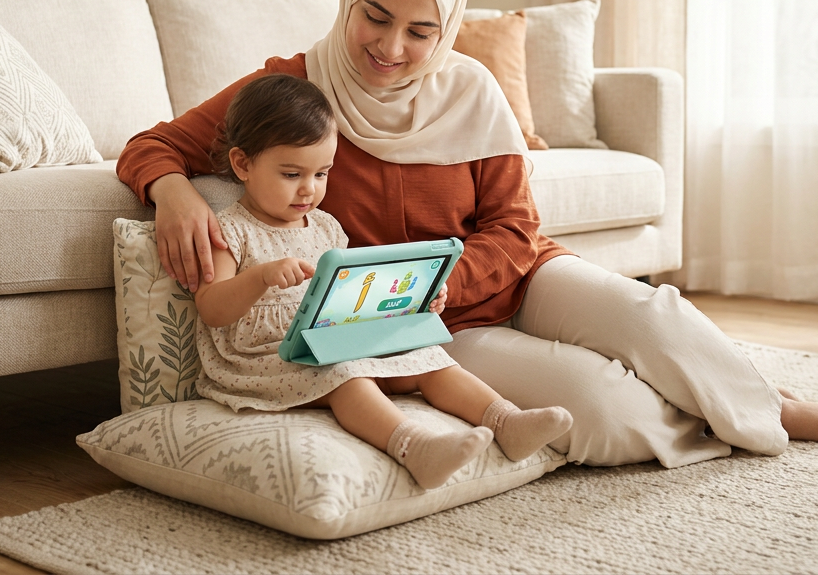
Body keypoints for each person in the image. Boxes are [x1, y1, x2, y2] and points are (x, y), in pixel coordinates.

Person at [118, 0, 818, 470]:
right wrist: (175, 192)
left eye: (422, 30)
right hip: (414, 327)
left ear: (447, 29)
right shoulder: (291, 87)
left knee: (652, 316)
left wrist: (444, 280)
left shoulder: (473, 91)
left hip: (508, 279)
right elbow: (153, 145)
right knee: (601, 414)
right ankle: (719, 413)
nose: (392, 49)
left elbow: (516, 228)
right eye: (376, 18)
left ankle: (773, 405)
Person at [191, 71, 573, 489]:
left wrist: (416, 298)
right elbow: (212, 309)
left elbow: (352, 295)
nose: (308, 190)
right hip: (261, 355)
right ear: (243, 164)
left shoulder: (326, 227)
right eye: (291, 174)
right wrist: (261, 277)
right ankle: (415, 448)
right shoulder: (230, 230)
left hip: (326, 338)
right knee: (346, 374)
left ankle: (507, 421)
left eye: (321, 174)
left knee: (426, 356)